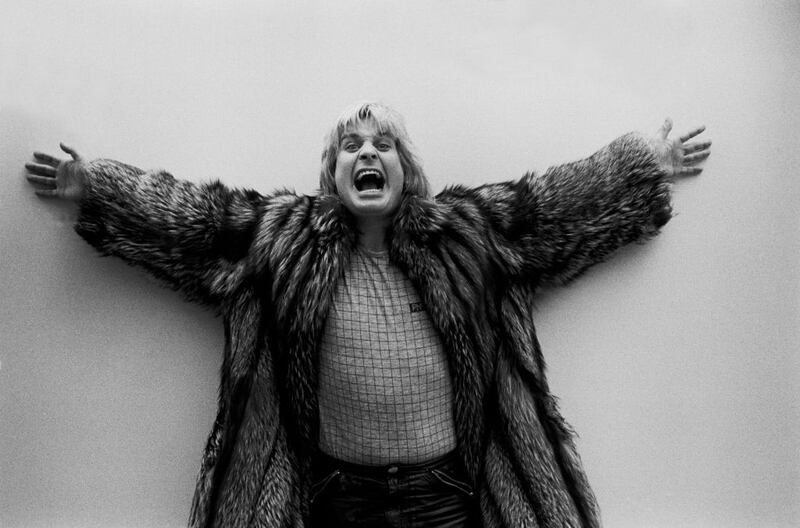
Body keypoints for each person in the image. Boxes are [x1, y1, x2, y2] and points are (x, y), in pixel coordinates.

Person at [25, 102, 710, 528]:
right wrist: (98, 187)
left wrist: (642, 163)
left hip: (447, 493)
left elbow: (552, 204)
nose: (368, 152)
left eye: (383, 143)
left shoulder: (466, 233)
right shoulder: (283, 240)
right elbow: (195, 222)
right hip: (335, 496)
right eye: (351, 145)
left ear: (407, 169)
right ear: (333, 175)